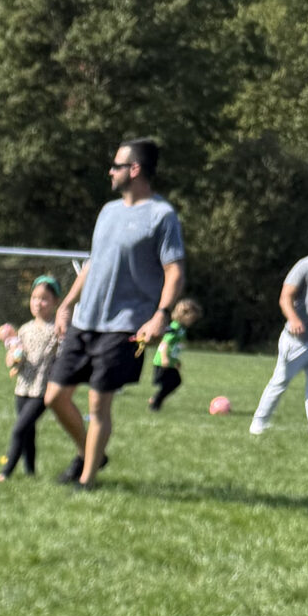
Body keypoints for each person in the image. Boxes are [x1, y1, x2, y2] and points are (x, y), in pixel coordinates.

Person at [46, 137, 185, 490]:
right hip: (85, 320)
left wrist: (161, 314)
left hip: (124, 324)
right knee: (55, 397)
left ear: (134, 169)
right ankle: (91, 454)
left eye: (116, 165)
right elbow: (93, 264)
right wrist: (66, 306)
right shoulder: (108, 211)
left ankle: (87, 479)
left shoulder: (161, 216)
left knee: (98, 404)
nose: (110, 171)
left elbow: (174, 271)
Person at [0, 275, 62, 480]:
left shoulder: (57, 331)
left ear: (55, 302)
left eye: (44, 299)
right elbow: (15, 359)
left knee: (18, 430)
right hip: (22, 388)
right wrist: (12, 357)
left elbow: (62, 360)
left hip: (42, 391)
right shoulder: (24, 329)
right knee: (28, 432)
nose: (38, 303)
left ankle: (5, 473)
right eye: (34, 297)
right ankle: (30, 473)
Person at [249, 252, 308, 437]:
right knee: (280, 382)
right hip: (296, 341)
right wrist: (294, 319)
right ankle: (259, 422)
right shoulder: (307, 265)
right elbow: (285, 297)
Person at [147, 296, 200, 411]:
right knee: (171, 382)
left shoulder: (181, 328)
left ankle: (156, 400)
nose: (193, 321)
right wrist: (165, 358)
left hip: (170, 362)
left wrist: (176, 361)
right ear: (184, 316)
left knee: (174, 382)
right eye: (192, 318)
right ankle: (155, 402)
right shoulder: (174, 327)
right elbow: (165, 343)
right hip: (163, 362)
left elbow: (175, 347)